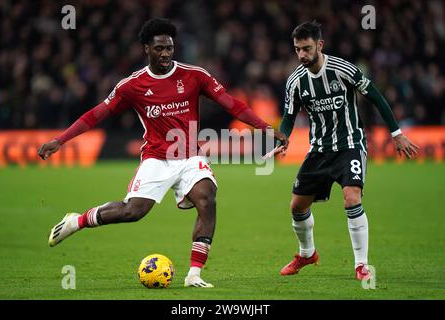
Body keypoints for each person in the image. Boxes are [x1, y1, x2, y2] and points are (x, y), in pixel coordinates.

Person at [38, 18, 288, 288]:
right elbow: (96, 114)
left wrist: (264, 126)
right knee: (132, 212)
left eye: (169, 48)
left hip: (191, 156)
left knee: (207, 200)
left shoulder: (195, 76)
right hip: (156, 158)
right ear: (146, 49)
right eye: (159, 49)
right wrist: (60, 140)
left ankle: (194, 274)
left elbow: (232, 104)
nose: (166, 54)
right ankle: (77, 221)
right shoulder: (132, 85)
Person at [275, 21, 419, 280]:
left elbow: (376, 96)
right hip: (319, 149)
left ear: (320, 45)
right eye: (297, 50)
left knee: (352, 198)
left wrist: (396, 134)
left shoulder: (343, 69)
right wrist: (282, 137)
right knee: (297, 206)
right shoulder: (296, 81)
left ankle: (361, 265)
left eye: (307, 49)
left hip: (350, 145)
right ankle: (307, 254)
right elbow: (288, 116)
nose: (302, 55)